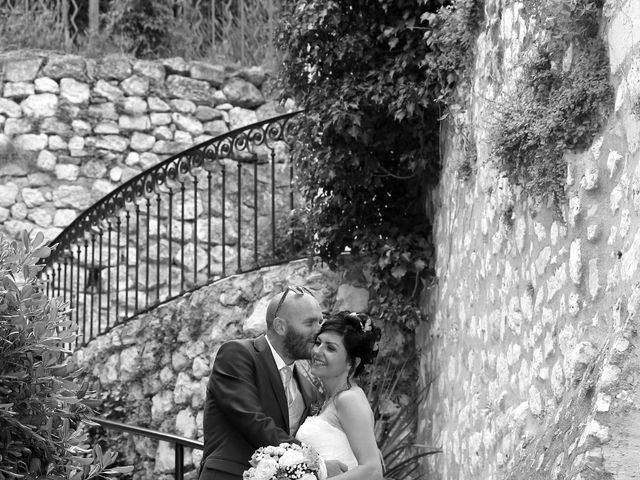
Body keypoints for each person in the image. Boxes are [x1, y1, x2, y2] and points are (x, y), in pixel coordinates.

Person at [198, 286, 347, 480]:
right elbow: (253, 421)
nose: (319, 332)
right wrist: (318, 463)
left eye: (321, 321)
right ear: (280, 326)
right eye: (310, 323)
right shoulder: (237, 355)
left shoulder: (309, 389)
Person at [296, 311, 384, 480]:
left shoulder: (349, 399)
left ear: (353, 362)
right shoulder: (331, 399)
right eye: (318, 342)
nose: (318, 351)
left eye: (330, 348)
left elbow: (373, 470)